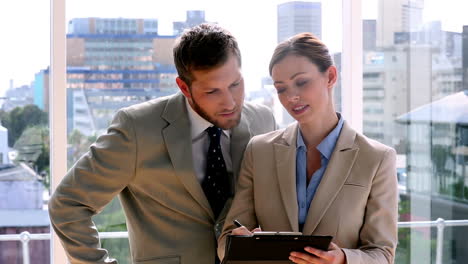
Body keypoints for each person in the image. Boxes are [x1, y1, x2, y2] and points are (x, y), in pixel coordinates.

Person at [48, 23, 276, 264]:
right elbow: (68, 204)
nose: (230, 102)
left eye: (235, 85)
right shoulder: (137, 128)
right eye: (212, 92)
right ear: (184, 87)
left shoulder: (263, 120)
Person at [218, 33, 398, 264]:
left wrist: (343, 259)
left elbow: (382, 254)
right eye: (281, 88)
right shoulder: (259, 151)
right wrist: (239, 244)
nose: (292, 97)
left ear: (331, 76)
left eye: (302, 82)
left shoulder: (376, 158)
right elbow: (226, 242)